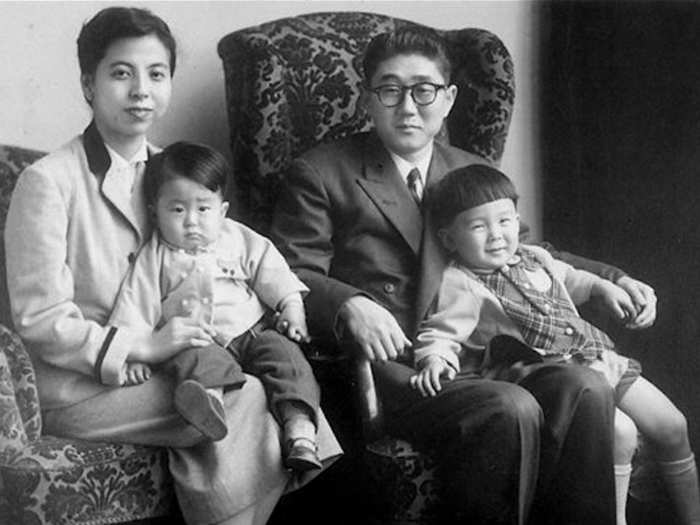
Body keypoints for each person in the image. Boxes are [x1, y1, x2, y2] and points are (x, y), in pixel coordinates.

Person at [270, 25, 657, 524]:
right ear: (368, 99)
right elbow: (289, 269)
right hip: (405, 365)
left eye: (423, 90)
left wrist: (611, 278)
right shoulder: (323, 171)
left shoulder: (469, 167)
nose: (407, 107)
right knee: (509, 407)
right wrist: (348, 303)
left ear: (448, 99)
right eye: (389, 90)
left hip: (491, 354)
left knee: (582, 384)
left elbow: (525, 250)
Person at [4, 7, 340, 525]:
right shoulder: (49, 182)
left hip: (181, 365)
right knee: (246, 396)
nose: (141, 90)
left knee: (263, 381)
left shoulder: (179, 174)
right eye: (121, 73)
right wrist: (145, 344)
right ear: (88, 84)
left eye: (156, 74)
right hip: (85, 387)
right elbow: (39, 319)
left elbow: (224, 254)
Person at [411, 164, 700, 525]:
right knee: (621, 434)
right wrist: (435, 359)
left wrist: (601, 285)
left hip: (596, 359)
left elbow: (575, 279)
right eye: (478, 226)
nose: (496, 236)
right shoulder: (461, 282)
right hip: (552, 378)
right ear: (450, 239)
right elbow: (442, 330)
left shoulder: (537, 258)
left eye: (505, 221)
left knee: (673, 425)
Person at [110, 140, 323, 471]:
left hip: (252, 329)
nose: (192, 221)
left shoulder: (236, 237)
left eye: (203, 209)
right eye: (177, 210)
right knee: (196, 361)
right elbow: (136, 304)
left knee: (287, 360)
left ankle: (300, 431)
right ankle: (209, 405)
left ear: (222, 211)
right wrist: (135, 353)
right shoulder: (154, 258)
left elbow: (272, 271)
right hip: (197, 338)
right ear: (155, 210)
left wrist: (291, 306)